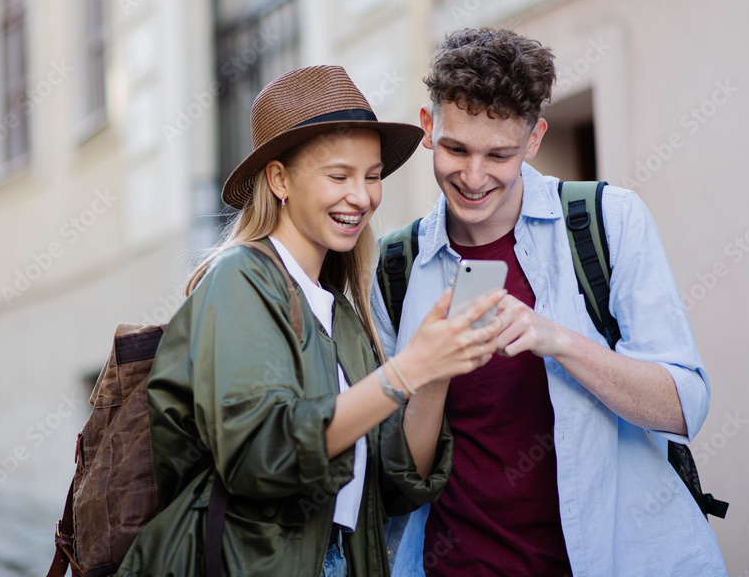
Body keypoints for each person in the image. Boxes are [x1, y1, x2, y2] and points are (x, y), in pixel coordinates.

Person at [116, 65, 507, 577]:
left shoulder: (340, 310)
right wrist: (403, 372)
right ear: (279, 179)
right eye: (339, 176)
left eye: (371, 177)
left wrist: (433, 377)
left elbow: (396, 486)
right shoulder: (240, 279)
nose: (362, 197)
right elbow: (260, 453)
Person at [376, 28, 727, 576]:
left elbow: (685, 407)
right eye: (455, 148)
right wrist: (433, 370)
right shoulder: (393, 265)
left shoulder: (610, 219)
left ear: (535, 138)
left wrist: (558, 340)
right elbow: (402, 478)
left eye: (499, 154)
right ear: (428, 127)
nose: (472, 177)